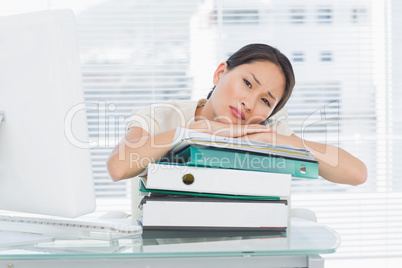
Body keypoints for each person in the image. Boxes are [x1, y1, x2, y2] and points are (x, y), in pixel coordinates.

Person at [107, 43, 367, 186]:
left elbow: (357, 174)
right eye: (247, 83)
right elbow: (118, 167)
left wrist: (272, 139)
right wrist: (193, 133)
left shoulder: (265, 127)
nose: (249, 103)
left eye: (266, 100)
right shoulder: (161, 115)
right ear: (220, 73)